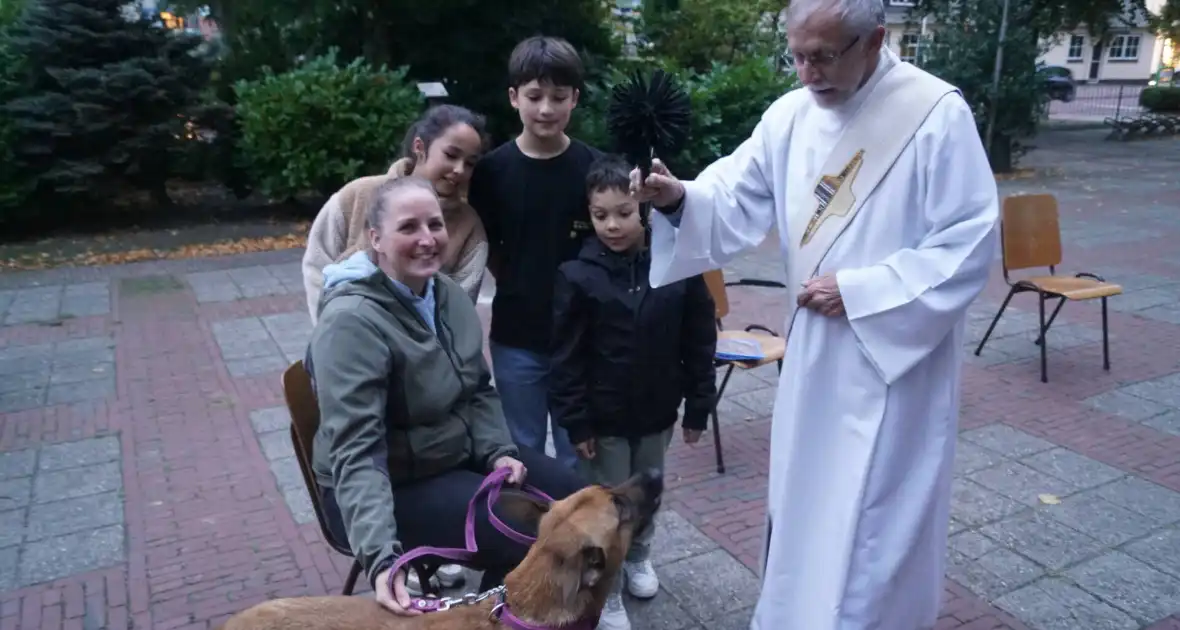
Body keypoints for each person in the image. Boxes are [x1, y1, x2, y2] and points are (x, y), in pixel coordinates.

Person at [629, 0, 1001, 627]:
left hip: (894, 362)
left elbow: (968, 240)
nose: (807, 73)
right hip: (814, 358)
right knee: (807, 506)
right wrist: (677, 198)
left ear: (875, 40)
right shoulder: (790, 116)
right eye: (797, 56)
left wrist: (860, 291)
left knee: (877, 518)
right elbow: (734, 196)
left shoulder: (935, 115)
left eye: (824, 56)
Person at [305, 175, 585, 615]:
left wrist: (497, 450)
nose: (427, 239)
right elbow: (357, 451)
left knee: (575, 497)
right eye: (408, 227)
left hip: (446, 452)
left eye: (434, 225)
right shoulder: (351, 323)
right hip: (390, 480)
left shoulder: (446, 294)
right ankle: (498, 615)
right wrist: (381, 556)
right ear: (375, 238)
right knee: (523, 532)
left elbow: (477, 387)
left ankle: (514, 609)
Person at [549, 155, 718, 630]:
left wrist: (698, 406)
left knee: (646, 494)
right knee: (605, 506)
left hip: (656, 410)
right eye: (601, 215)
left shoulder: (676, 265)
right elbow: (566, 356)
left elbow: (700, 337)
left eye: (623, 212)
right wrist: (576, 420)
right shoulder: (576, 276)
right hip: (602, 420)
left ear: (643, 207)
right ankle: (607, 585)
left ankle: (639, 556)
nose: (612, 225)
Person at [467, 35, 603, 471]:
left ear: (575, 99)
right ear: (514, 97)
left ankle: (574, 538)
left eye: (558, 97)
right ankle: (525, 536)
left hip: (582, 337)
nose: (546, 108)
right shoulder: (491, 172)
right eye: (534, 96)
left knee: (577, 453)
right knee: (520, 449)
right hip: (516, 336)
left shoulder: (595, 169)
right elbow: (483, 241)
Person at [302, 104, 491, 323]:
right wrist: (331, 328)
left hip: (423, 351)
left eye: (469, 163)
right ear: (419, 147)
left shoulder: (469, 226)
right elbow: (317, 264)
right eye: (451, 155)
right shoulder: (356, 195)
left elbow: (460, 308)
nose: (459, 169)